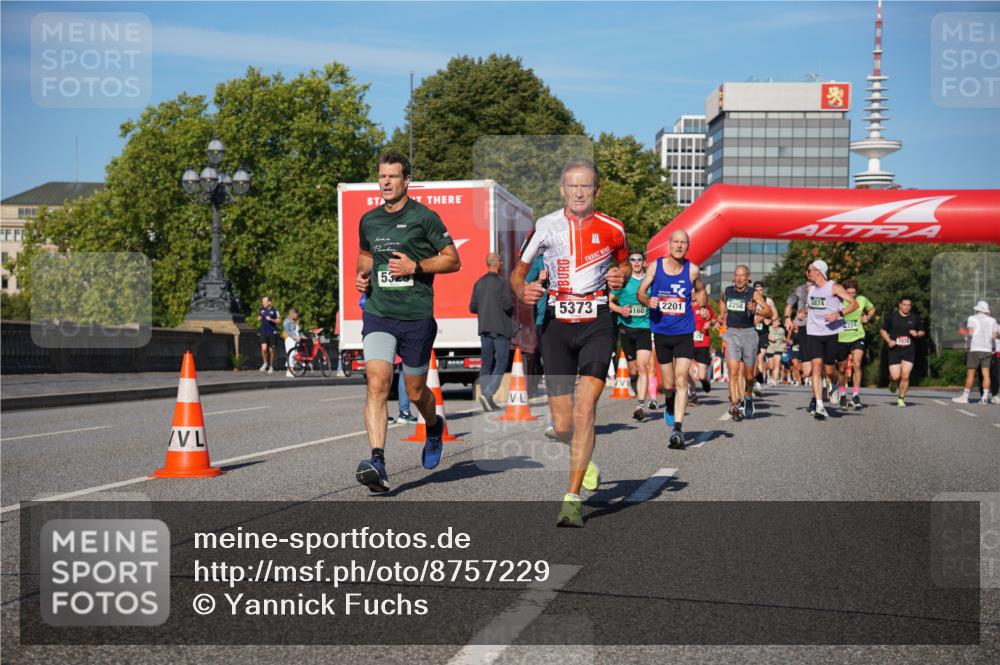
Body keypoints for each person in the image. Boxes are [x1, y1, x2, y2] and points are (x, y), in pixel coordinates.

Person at [511, 157, 627, 528]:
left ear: (596, 190)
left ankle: (572, 498)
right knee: (563, 426)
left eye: (586, 186)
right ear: (562, 189)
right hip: (557, 325)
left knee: (585, 408)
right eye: (572, 185)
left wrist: (619, 277)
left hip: (596, 322)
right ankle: (583, 454)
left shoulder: (613, 229)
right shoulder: (545, 226)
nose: (579, 192)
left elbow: (623, 266)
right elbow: (516, 274)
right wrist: (524, 289)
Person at [354, 151, 461, 493]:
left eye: (392, 176)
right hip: (379, 312)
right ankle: (377, 461)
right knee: (377, 383)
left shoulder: (424, 218)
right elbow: (366, 256)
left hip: (415, 316)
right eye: (381, 176)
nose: (385, 182)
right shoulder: (369, 220)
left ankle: (433, 424)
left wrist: (416, 267)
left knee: (415, 392)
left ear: (406, 180)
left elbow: (452, 260)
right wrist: (362, 276)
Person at [637, 230, 708, 447]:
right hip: (661, 332)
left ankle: (678, 429)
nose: (679, 246)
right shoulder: (655, 267)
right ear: (669, 245)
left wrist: (703, 307)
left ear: (688, 246)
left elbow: (701, 290)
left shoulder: (692, 270)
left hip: (684, 332)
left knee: (681, 378)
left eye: (683, 243)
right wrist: (647, 301)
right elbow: (641, 292)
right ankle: (669, 400)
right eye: (675, 242)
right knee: (668, 384)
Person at [801, 259, 857, 420]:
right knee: (816, 367)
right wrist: (803, 312)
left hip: (831, 333)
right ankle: (819, 405)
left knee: (830, 370)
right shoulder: (810, 289)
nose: (808, 273)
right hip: (813, 332)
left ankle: (834, 385)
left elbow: (854, 304)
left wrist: (838, 314)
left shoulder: (834, 287)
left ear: (819, 271)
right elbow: (810, 306)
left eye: (810, 270)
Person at [718, 266, 773, 420]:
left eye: (743, 276)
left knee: (748, 375)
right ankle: (734, 404)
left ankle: (748, 396)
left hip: (749, 333)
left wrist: (756, 310)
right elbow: (722, 302)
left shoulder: (753, 293)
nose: (740, 278)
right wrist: (721, 316)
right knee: (733, 370)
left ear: (748, 277)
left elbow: (769, 312)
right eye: (737, 275)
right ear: (734, 277)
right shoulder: (728, 291)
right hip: (731, 333)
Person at [610, 252, 653, 421]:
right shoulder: (624, 282)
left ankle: (641, 405)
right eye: (633, 260)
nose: (636, 262)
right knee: (633, 371)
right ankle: (635, 387)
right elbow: (609, 301)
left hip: (644, 329)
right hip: (626, 330)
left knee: (643, 367)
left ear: (644, 263)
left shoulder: (650, 282)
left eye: (639, 260)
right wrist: (621, 310)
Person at [470, 252, 514, 412]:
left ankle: (485, 396)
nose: (502, 263)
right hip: (500, 328)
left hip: (484, 328)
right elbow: (507, 305)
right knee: (501, 362)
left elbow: (472, 307)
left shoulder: (478, 283)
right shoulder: (502, 283)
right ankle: (488, 394)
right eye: (501, 261)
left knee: (486, 363)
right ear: (497, 263)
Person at [835, 279, 876, 409]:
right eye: (849, 292)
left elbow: (872, 308)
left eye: (854, 292)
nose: (852, 295)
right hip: (841, 338)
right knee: (842, 369)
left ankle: (856, 395)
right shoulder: (838, 301)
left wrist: (868, 317)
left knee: (857, 364)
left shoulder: (862, 299)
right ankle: (842, 395)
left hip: (858, 336)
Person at [880, 295, 925, 408]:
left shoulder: (915, 318)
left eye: (909, 305)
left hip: (909, 350)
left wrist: (917, 334)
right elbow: (883, 330)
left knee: (905, 375)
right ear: (900, 305)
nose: (906, 307)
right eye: (904, 305)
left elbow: (922, 331)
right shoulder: (892, 317)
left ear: (911, 306)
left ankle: (901, 398)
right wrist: (889, 341)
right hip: (894, 350)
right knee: (896, 376)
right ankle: (892, 381)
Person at [953, 300, 999, 405]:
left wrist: (965, 336)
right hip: (987, 349)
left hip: (975, 348)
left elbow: (970, 333)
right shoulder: (992, 320)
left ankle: (965, 397)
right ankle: (984, 398)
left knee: (971, 373)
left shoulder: (972, 318)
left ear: (977, 309)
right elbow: (994, 335)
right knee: (986, 374)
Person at [752, 282, 778, 395]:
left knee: (760, 357)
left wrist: (769, 319)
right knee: (752, 359)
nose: (759, 292)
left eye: (761, 290)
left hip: (762, 333)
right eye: (756, 289)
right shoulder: (749, 300)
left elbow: (775, 315)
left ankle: (757, 382)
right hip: (751, 332)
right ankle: (756, 376)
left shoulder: (768, 301)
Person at [690, 301, 716, 401]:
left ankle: (704, 381)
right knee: (688, 370)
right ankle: (692, 393)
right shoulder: (685, 304)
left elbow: (714, 319)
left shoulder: (705, 306)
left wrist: (709, 322)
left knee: (701, 375)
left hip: (702, 342)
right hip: (687, 341)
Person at [258, 296, 280, 373]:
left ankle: (271, 366)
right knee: (264, 348)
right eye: (262, 302)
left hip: (272, 332)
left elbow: (278, 321)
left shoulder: (275, 311)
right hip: (263, 331)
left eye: (265, 302)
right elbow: (259, 317)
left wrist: (271, 319)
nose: (263, 303)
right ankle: (265, 363)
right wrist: (259, 318)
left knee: (271, 350)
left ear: (269, 302)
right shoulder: (261, 310)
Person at [282, 308, 303, 378]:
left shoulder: (295, 321)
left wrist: (300, 337)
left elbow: (298, 331)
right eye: (296, 314)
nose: (297, 316)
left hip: (295, 340)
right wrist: (295, 337)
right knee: (290, 354)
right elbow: (288, 332)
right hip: (290, 339)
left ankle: (292, 370)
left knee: (295, 354)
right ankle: (289, 370)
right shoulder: (287, 321)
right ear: (292, 314)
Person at [766, 318, 786, 385]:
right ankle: (770, 377)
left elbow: (784, 339)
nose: (774, 323)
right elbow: (766, 335)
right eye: (774, 321)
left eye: (776, 322)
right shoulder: (769, 328)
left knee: (777, 364)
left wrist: (784, 344)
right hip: (770, 348)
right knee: (771, 366)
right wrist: (769, 338)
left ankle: (774, 379)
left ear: (779, 323)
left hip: (779, 348)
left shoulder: (782, 330)